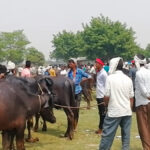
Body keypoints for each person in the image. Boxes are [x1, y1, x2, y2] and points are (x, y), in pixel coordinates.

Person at [99, 57, 134, 150]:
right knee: (126, 138)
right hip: (127, 112)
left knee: (107, 137)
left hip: (114, 112)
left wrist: (106, 104)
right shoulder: (128, 79)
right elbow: (131, 98)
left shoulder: (110, 78)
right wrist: (129, 108)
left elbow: (106, 96)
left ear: (112, 65)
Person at [134, 54, 150, 150]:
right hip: (148, 102)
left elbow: (144, 91)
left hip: (142, 103)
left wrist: (148, 97)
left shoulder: (139, 73)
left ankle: (146, 148)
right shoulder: (148, 72)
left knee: (143, 128)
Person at [95, 58, 107, 134]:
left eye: (96, 63)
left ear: (100, 64)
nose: (95, 65)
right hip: (98, 95)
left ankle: (101, 128)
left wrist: (105, 97)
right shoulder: (98, 72)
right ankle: (101, 127)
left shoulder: (104, 73)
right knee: (101, 113)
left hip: (102, 96)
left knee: (103, 113)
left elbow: (107, 85)